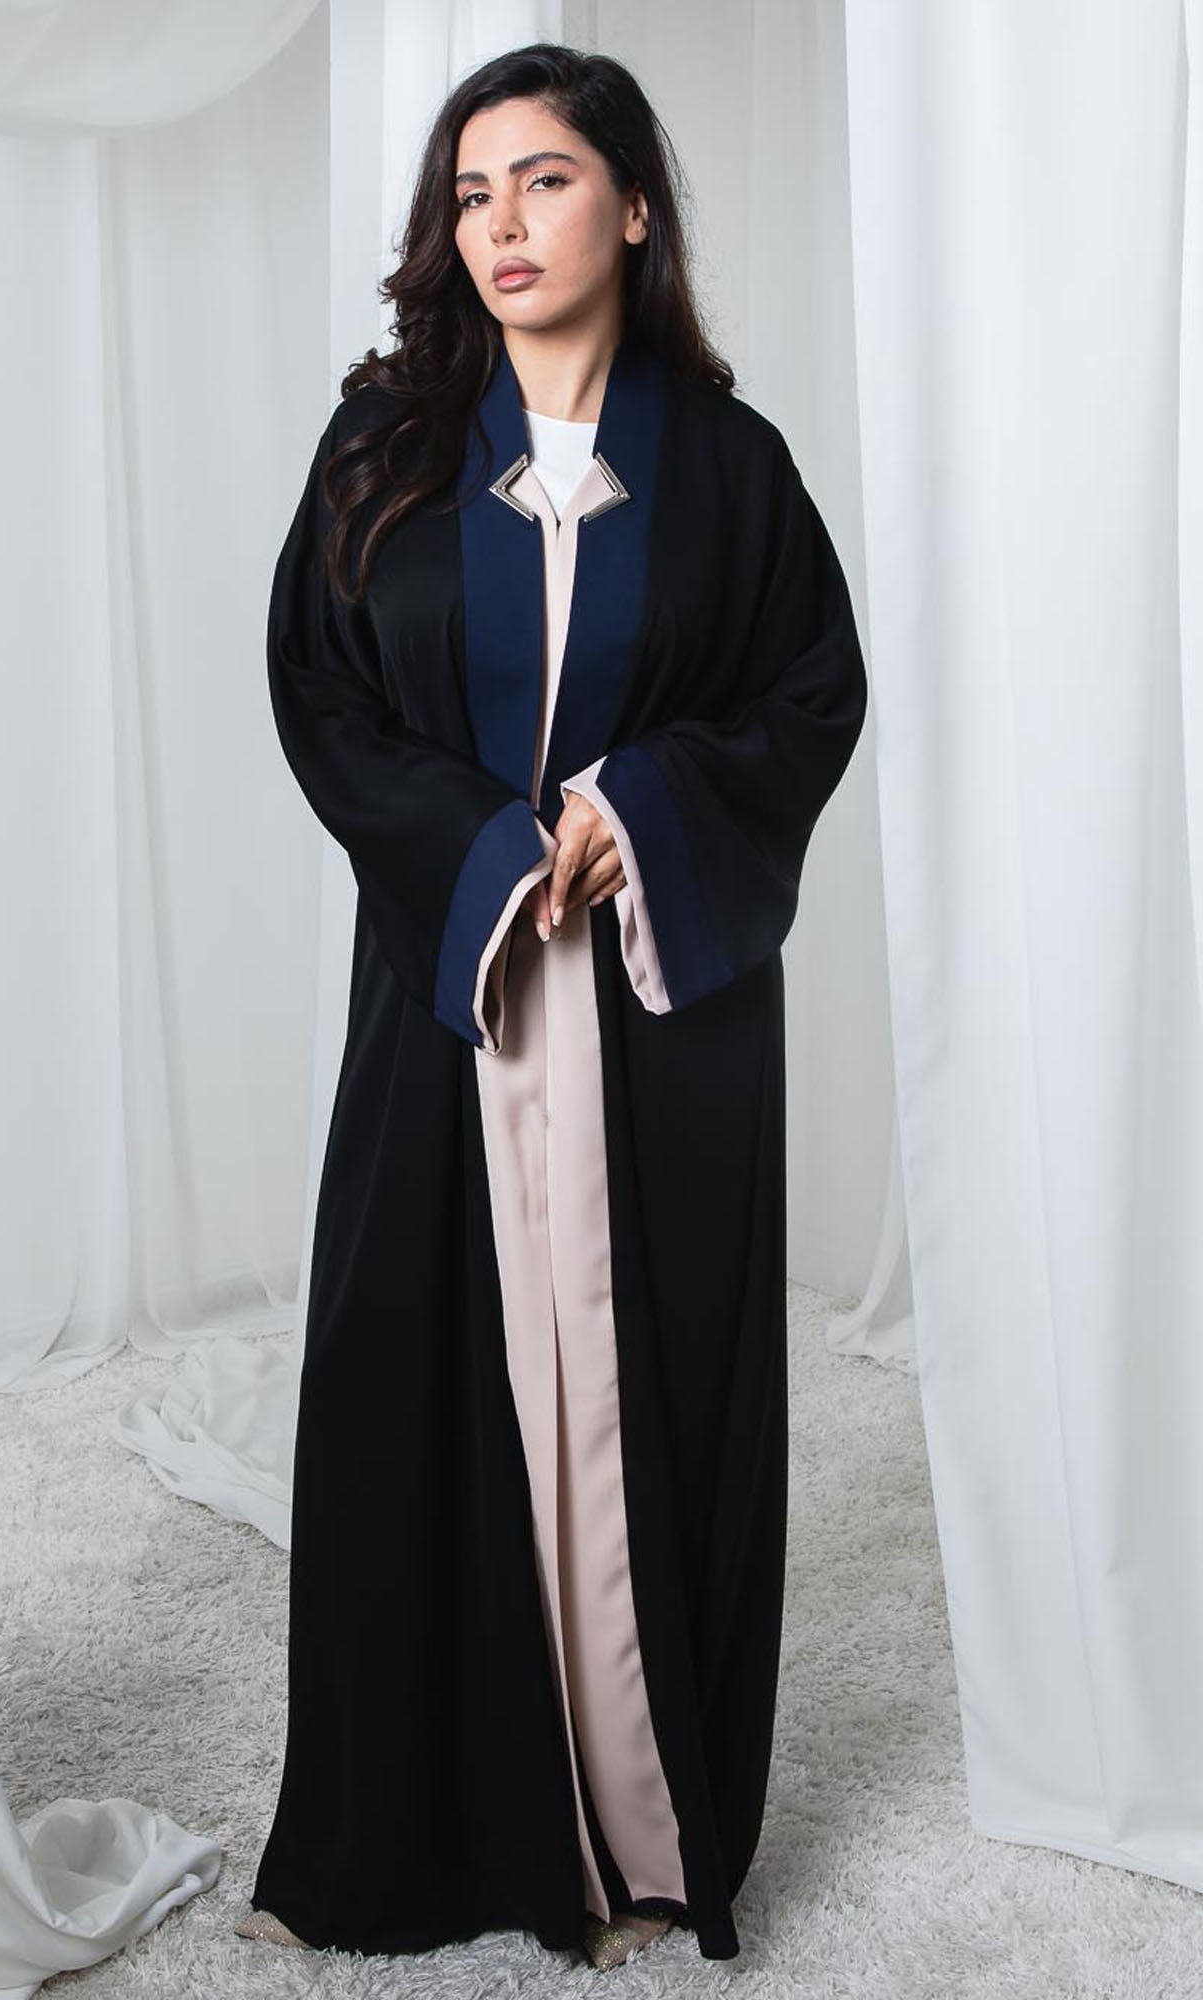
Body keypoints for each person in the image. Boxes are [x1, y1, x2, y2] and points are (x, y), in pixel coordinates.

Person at [234, 41, 867, 1975]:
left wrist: (637, 808)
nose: (499, 225)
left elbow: (810, 696)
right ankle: (451, 1826)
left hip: (668, 1031)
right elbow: (319, 694)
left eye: (545, 181)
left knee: (664, 1398)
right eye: (471, 193)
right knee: (416, 1387)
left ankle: (654, 1828)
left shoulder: (732, 470)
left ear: (636, 206)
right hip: (456, 995)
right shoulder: (384, 449)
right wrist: (488, 854)